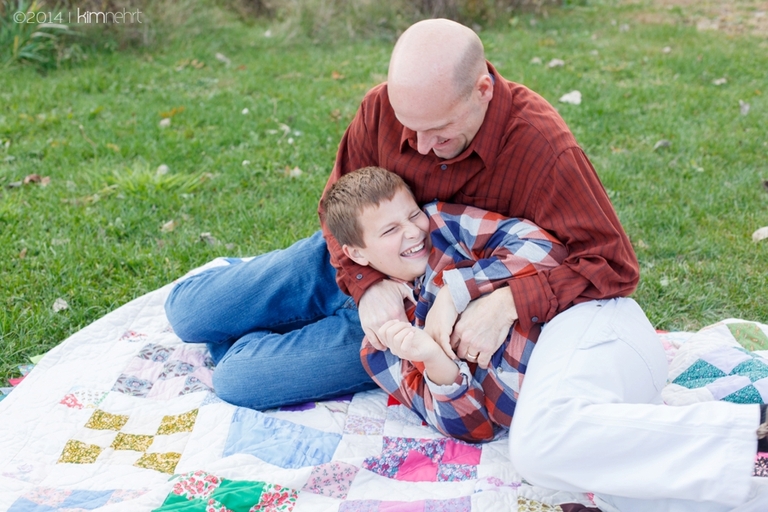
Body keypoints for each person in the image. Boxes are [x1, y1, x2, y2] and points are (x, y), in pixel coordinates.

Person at [164, 18, 768, 511]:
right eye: (409, 129)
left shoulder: (544, 148)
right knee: (191, 312)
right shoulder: (383, 110)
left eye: (438, 132)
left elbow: (612, 265)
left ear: (482, 90)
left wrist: (501, 301)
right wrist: (364, 280)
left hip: (426, 314)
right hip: (358, 257)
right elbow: (337, 204)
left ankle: (275, 332)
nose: (419, 148)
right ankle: (282, 306)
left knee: (241, 380)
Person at [322, 166, 566, 443]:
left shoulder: (444, 227)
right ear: (356, 254)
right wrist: (433, 358)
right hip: (544, 415)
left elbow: (548, 249)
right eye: (391, 230)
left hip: (569, 343)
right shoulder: (381, 346)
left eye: (414, 214)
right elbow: (474, 429)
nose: (414, 231)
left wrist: (457, 289)